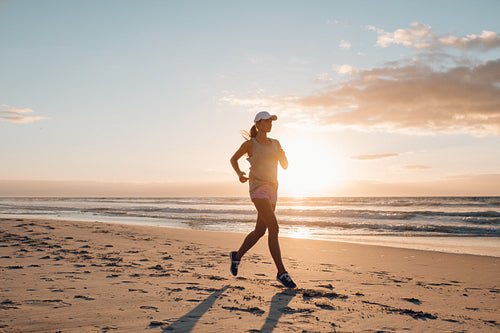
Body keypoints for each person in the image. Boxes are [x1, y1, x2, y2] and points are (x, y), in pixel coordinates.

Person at [229, 111, 296, 288]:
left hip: (273, 189)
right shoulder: (250, 144)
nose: (270, 124)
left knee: (260, 231)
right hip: (257, 188)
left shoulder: (276, 143)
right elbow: (233, 159)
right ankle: (281, 273)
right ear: (258, 124)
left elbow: (285, 166)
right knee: (274, 226)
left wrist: (282, 154)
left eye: (271, 122)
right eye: (266, 122)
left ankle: (236, 256)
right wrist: (239, 174)